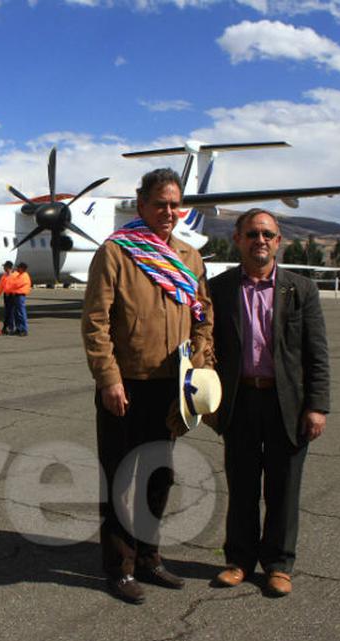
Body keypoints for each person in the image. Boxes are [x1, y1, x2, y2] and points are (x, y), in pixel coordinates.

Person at [81, 168, 214, 605]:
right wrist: (109, 378)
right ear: (141, 204)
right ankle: (118, 568)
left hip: (171, 388)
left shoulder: (189, 258)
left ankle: (149, 557)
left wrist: (197, 367)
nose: (168, 212)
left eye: (175, 205)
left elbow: (203, 317)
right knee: (120, 477)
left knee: (159, 476)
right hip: (126, 387)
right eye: (160, 204)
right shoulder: (117, 252)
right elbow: (96, 322)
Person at [207, 208, 330, 597]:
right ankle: (239, 561)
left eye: (268, 234)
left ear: (278, 241)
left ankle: (279, 564)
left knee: (284, 487)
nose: (260, 240)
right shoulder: (220, 288)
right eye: (252, 234)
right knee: (241, 486)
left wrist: (317, 406)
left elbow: (317, 353)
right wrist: (204, 395)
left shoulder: (301, 289)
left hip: (287, 404)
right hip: (240, 400)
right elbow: (206, 344)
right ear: (238, 240)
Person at [0, 261, 17, 335]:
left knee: (11, 312)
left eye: (4, 267)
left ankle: (11, 328)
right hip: (6, 296)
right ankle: (5, 328)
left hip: (14, 295)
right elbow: (0, 286)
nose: (3, 268)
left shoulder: (16, 275)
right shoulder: (4, 276)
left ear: (8, 267)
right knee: (7, 312)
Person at [12, 262, 31, 336]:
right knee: (16, 313)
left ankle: (24, 329)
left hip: (20, 296)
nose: (17, 269)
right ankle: (18, 328)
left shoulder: (24, 276)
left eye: (18, 267)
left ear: (22, 268)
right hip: (16, 295)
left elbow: (16, 283)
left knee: (21, 313)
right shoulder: (19, 275)